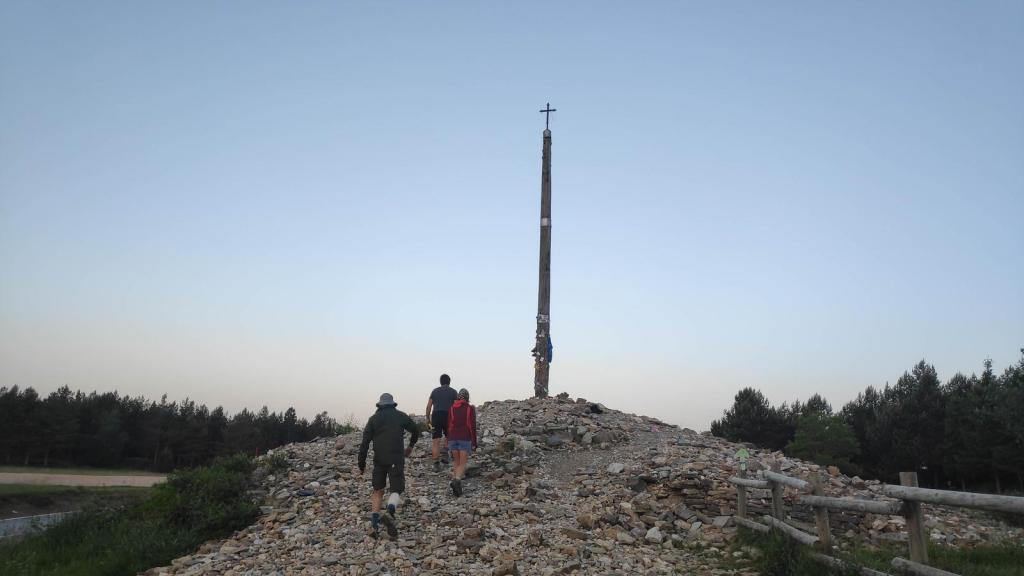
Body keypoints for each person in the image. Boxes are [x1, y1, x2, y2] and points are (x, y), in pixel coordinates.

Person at [358, 392, 421, 539]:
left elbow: (364, 443)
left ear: (379, 405)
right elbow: (415, 430)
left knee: (377, 490)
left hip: (379, 459)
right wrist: (411, 446)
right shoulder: (400, 416)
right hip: (396, 458)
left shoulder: (373, 419)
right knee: (396, 488)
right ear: (393, 404)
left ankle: (374, 523)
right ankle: (390, 508)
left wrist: (361, 464)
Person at [446, 388, 477, 497]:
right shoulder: (470, 408)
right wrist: (474, 442)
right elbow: (472, 426)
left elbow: (449, 425)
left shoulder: (451, 409)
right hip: (464, 437)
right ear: (467, 397)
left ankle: (457, 488)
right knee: (463, 463)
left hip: (453, 437)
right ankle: (457, 480)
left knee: (456, 462)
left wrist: (448, 440)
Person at [425, 373, 458, 472]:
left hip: (436, 415)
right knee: (449, 436)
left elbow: (429, 406)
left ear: (440, 382)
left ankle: (436, 464)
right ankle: (445, 453)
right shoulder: (453, 392)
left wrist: (428, 418)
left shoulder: (435, 391)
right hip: (448, 415)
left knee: (436, 441)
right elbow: (456, 406)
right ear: (449, 382)